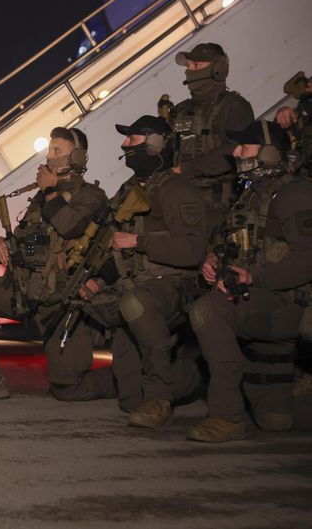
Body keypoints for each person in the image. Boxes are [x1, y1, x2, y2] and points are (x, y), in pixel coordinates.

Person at [0, 127, 109, 399]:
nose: (49, 155)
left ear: (78, 157)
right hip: (24, 291)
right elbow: (29, 241)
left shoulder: (91, 196)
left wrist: (49, 191)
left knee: (68, 389)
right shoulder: (41, 197)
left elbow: (69, 226)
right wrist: (1, 242)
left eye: (57, 150)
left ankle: (131, 379)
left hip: (60, 299)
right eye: (50, 149)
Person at [189, 121, 312, 442]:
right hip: (264, 303)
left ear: (271, 154)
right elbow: (233, 241)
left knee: (208, 311)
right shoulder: (251, 196)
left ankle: (227, 416)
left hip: (291, 305)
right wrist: (214, 260)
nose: (236, 153)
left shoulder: (295, 195)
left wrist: (254, 275)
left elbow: (307, 258)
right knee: (273, 420)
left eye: (245, 147)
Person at [84, 115, 208, 429]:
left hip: (172, 285)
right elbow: (115, 245)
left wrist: (142, 242)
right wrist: (99, 280)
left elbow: (193, 250)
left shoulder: (176, 189)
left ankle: (166, 394)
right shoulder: (128, 190)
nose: (125, 145)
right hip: (135, 285)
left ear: (155, 145)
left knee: (135, 303)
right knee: (129, 400)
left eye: (132, 139)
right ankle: (194, 375)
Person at [169, 42, 254, 231]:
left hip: (221, 210)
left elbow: (233, 151)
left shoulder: (234, 107)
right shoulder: (180, 111)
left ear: (218, 69)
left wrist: (186, 170)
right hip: (183, 204)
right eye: (188, 66)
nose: (189, 71)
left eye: (196, 65)